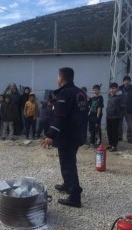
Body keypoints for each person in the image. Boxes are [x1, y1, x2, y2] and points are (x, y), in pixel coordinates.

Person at [41, 67, 88, 208]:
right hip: (77, 134)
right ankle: (67, 185)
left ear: (61, 78)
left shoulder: (64, 94)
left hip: (67, 136)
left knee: (68, 165)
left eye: (57, 76)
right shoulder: (80, 92)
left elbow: (60, 117)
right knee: (68, 161)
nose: (57, 79)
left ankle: (74, 197)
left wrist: (50, 135)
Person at [118, 76, 132, 143]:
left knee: (129, 125)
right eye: (125, 80)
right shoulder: (119, 89)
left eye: (128, 80)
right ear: (123, 82)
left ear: (130, 81)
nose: (126, 82)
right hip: (120, 110)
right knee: (119, 124)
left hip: (129, 110)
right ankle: (119, 137)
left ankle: (129, 138)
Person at [106, 82, 126, 152]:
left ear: (117, 89)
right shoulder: (110, 95)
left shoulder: (120, 97)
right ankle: (110, 144)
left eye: (113, 88)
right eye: (111, 88)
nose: (112, 90)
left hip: (116, 117)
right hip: (109, 116)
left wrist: (118, 113)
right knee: (109, 131)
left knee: (114, 132)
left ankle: (114, 146)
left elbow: (123, 107)